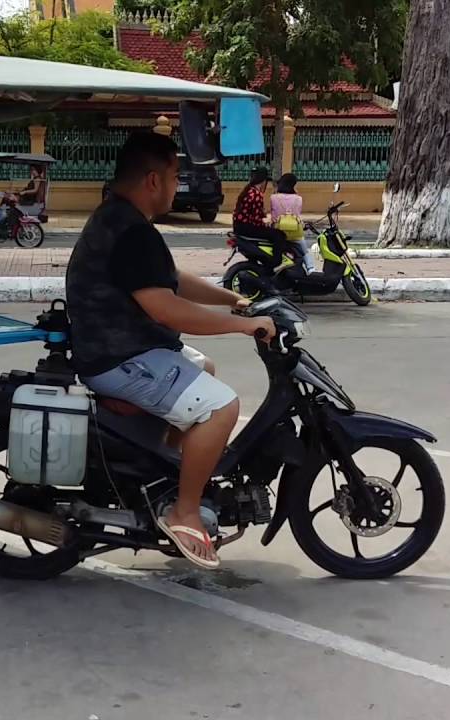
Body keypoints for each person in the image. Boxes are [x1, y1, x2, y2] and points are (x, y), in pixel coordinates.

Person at [66, 132, 275, 570]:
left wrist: (234, 300)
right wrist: (242, 326)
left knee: (205, 367)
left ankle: (165, 475)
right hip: (120, 358)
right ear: (153, 180)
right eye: (176, 175)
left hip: (122, 348)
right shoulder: (130, 230)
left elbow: (171, 279)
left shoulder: (120, 219)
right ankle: (184, 511)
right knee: (222, 408)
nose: (178, 185)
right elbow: (166, 308)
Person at [232, 167, 292, 265]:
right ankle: (276, 262)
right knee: (279, 235)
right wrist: (267, 224)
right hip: (248, 228)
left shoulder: (247, 191)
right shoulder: (256, 194)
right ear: (263, 181)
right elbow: (256, 219)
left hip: (239, 227)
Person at [269, 173, 315, 272]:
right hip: (295, 234)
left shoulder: (273, 198)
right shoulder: (298, 199)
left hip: (277, 232)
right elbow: (297, 216)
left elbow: (273, 217)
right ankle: (310, 268)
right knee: (305, 250)